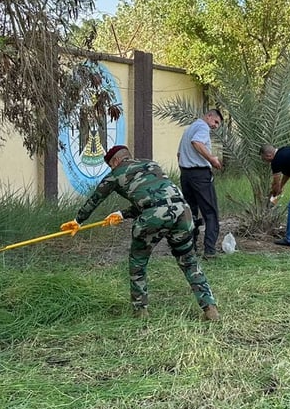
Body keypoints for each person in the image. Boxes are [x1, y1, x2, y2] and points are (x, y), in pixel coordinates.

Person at [61, 144, 220, 321]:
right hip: (183, 212)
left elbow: (95, 199)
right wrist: (122, 213)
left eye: (111, 165)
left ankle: (140, 311)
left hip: (153, 217)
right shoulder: (151, 165)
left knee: (138, 261)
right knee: (188, 260)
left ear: (115, 161)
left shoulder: (115, 174)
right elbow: (156, 197)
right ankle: (209, 308)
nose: (112, 168)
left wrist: (78, 221)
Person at [177, 108, 224, 257]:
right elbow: (196, 142)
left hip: (186, 174)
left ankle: (190, 248)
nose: (215, 126)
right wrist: (212, 159)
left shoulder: (189, 129)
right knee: (210, 212)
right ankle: (209, 250)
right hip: (200, 175)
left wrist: (185, 169)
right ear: (209, 116)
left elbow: (179, 154)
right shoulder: (202, 127)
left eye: (218, 124)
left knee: (191, 213)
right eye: (215, 121)